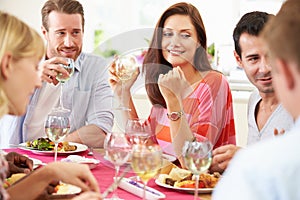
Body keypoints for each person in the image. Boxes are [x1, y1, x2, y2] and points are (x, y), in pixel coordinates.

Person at [109, 2, 236, 163]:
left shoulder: (213, 83)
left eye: (185, 35)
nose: (174, 42)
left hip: (202, 185)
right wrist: (123, 92)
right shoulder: (167, 81)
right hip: (167, 184)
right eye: (168, 34)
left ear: (199, 43)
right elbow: (143, 145)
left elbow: (194, 161)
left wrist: (173, 101)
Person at [0, 11, 102, 200]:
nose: (38, 82)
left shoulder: (96, 68)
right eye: (33, 67)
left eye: (76, 32)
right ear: (6, 65)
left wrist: (48, 173)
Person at [213, 0, 300, 199]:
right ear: (238, 60)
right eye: (253, 58)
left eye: (271, 56)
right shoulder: (254, 100)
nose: (265, 68)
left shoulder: (295, 109)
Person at [0, 0, 113, 148]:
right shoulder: (22, 63)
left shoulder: (95, 67)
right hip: (17, 157)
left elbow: (101, 129)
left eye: (75, 32)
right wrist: (33, 76)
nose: (69, 43)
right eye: (61, 33)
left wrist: (52, 146)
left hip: (65, 159)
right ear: (45, 33)